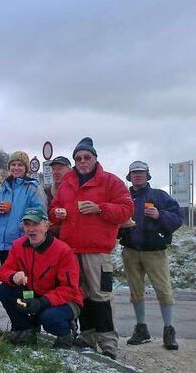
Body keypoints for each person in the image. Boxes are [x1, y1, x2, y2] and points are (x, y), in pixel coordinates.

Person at [50, 137, 133, 359]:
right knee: (81, 295)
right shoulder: (67, 184)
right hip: (71, 250)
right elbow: (54, 208)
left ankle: (108, 343)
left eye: (87, 157)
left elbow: (126, 209)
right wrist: (57, 213)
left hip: (97, 251)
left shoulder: (110, 181)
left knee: (101, 296)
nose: (83, 161)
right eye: (78, 158)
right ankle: (87, 337)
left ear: (95, 158)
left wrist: (100, 208)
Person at [119, 161, 183, 350]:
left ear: (148, 175)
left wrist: (160, 215)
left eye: (141, 173)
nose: (138, 176)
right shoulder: (125, 198)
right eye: (134, 173)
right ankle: (141, 329)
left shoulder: (159, 196)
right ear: (129, 177)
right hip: (130, 251)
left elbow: (178, 218)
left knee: (164, 291)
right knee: (135, 292)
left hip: (155, 253)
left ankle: (169, 331)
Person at [0, 207, 83, 349]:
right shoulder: (18, 245)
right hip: (33, 294)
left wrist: (43, 302)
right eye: (27, 224)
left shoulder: (63, 251)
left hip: (64, 300)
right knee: (5, 290)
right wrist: (13, 277)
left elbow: (69, 289)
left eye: (36, 224)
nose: (31, 229)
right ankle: (25, 330)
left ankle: (66, 333)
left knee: (50, 318)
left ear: (46, 225)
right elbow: (4, 270)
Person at [0, 151, 46, 263]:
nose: (16, 168)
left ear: (26, 168)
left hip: (23, 241)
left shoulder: (33, 187)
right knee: (5, 276)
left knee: (21, 277)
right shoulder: (4, 186)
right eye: (13, 164)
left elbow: (41, 213)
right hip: (1, 243)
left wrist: (23, 226)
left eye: (20, 165)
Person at [44, 156, 72, 238]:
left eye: (59, 169)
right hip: (49, 239)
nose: (55, 172)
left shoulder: (75, 191)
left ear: (70, 171)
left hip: (69, 238)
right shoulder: (45, 192)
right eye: (53, 169)